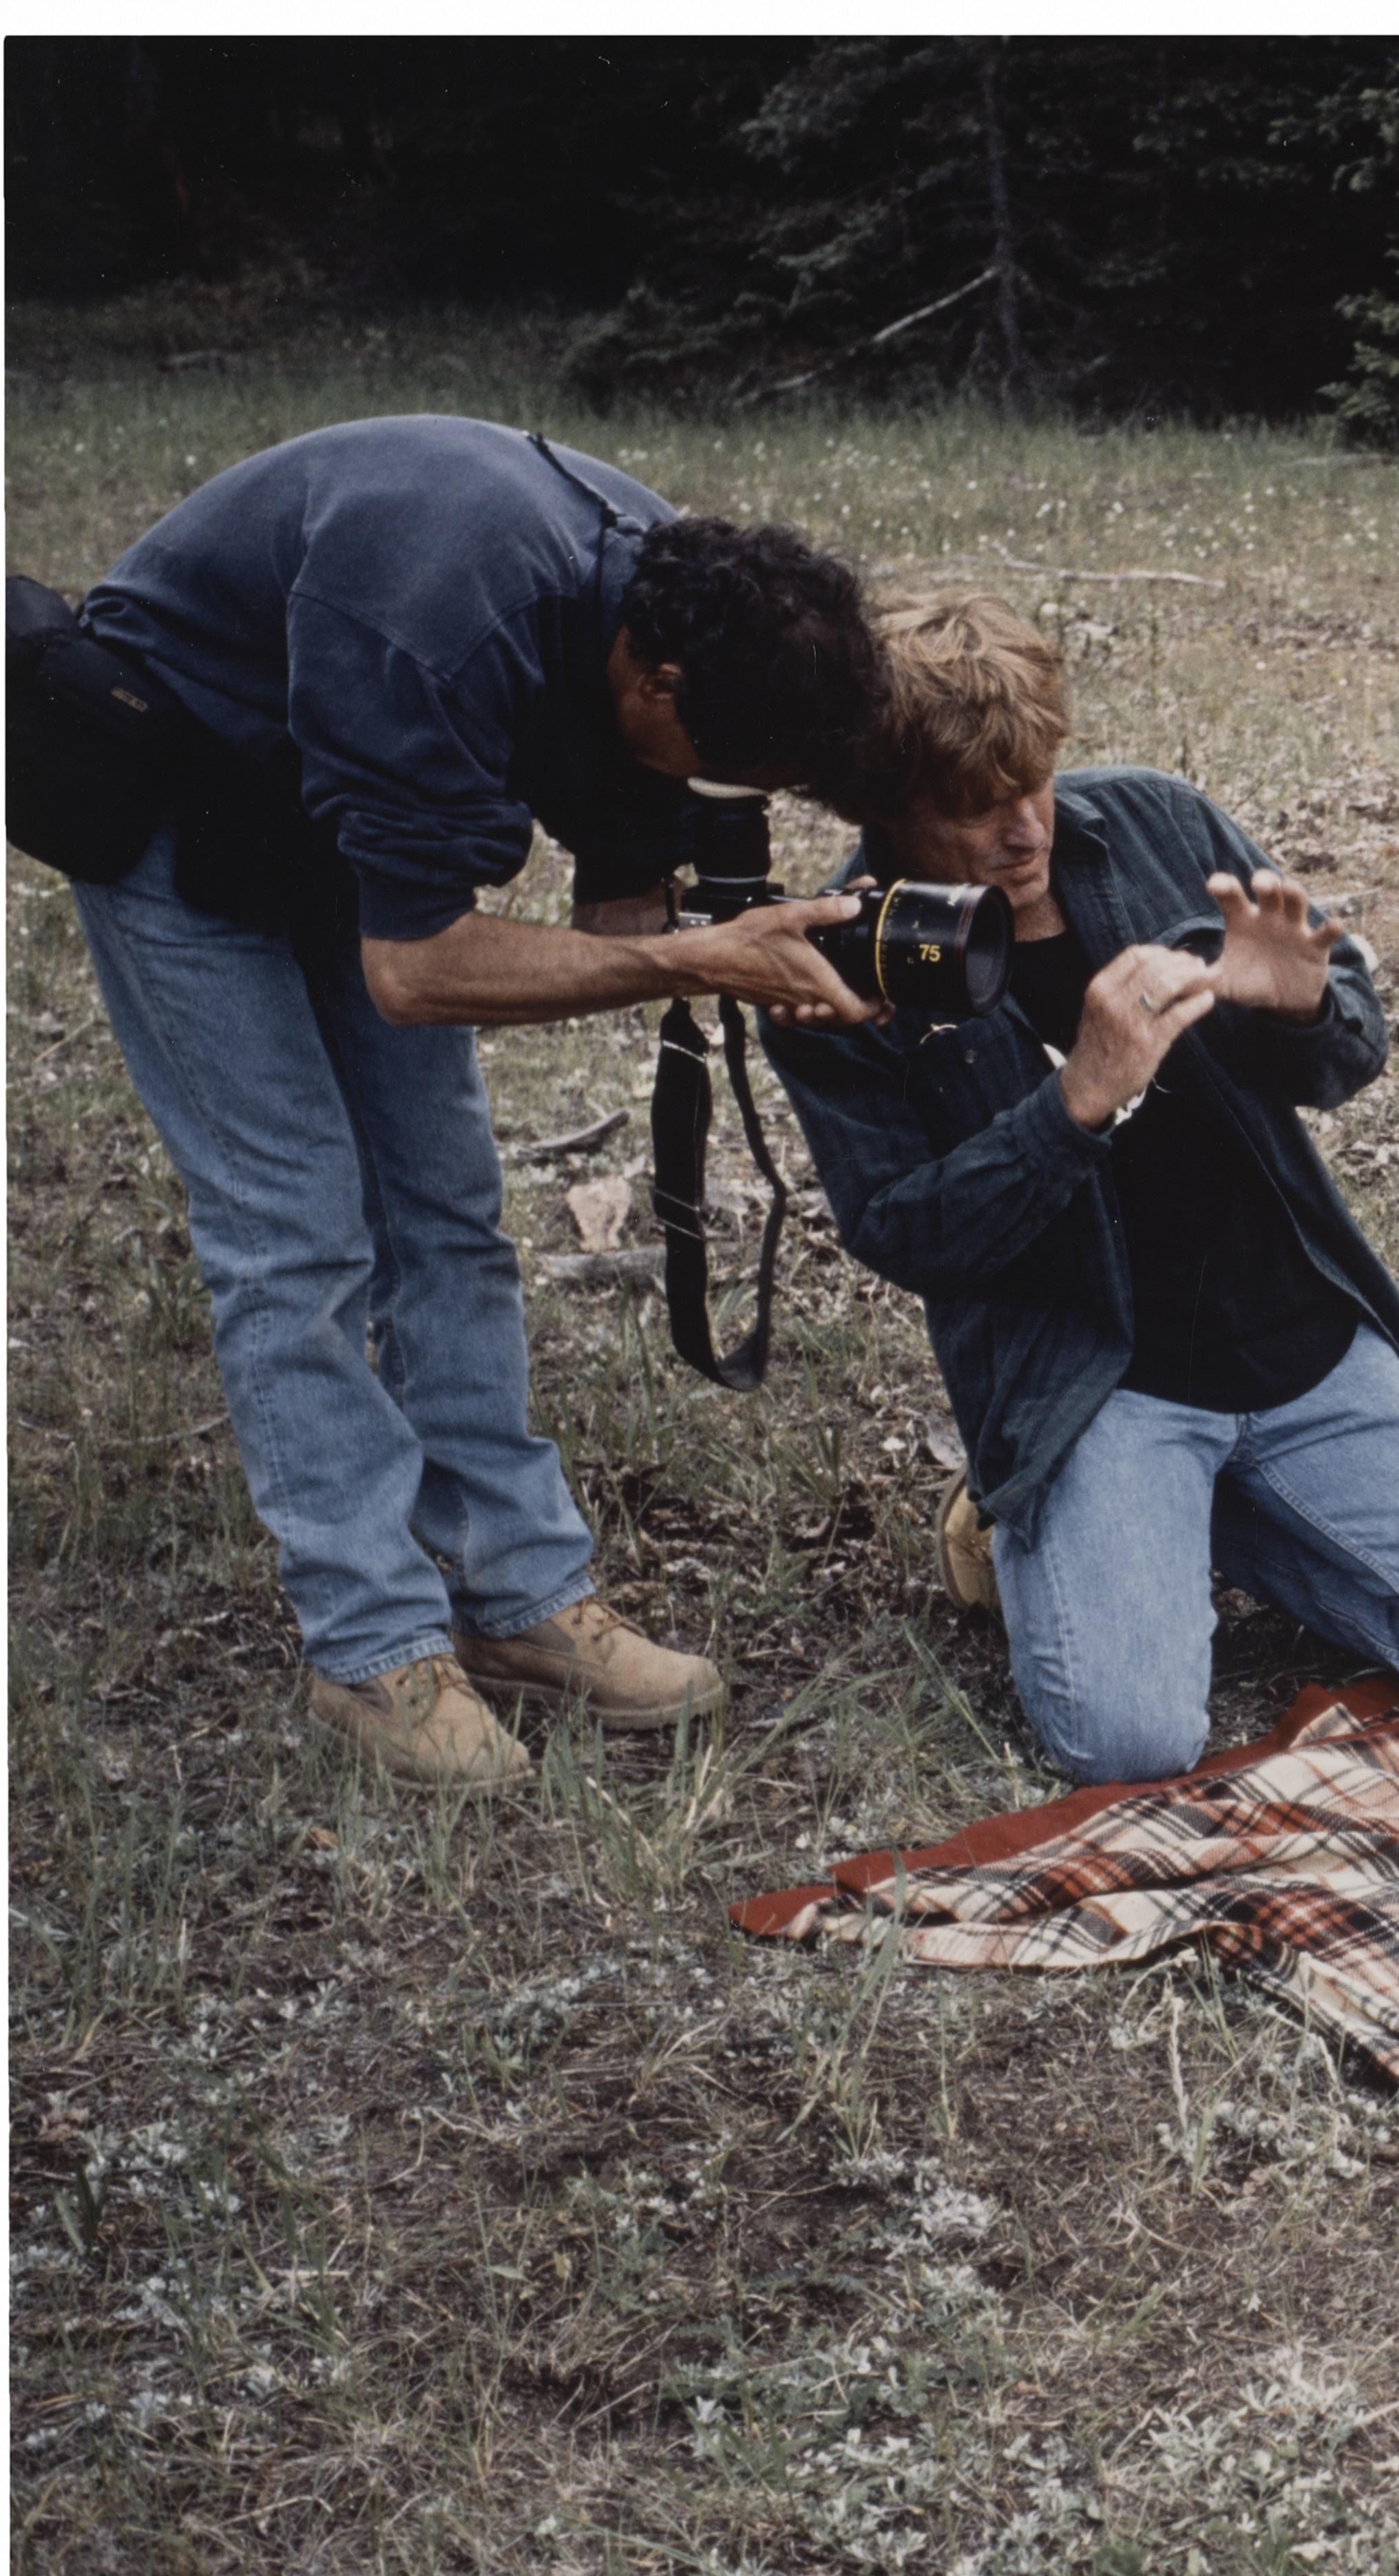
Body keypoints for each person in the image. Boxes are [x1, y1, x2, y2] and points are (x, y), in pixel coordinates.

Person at [56, 414, 890, 1791]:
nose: (703, 791)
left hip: (345, 805)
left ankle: (516, 1602)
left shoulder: (677, 597)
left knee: (446, 1209)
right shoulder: (437, 621)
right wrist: (685, 958)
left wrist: (734, 956)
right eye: (698, 759)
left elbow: (623, 872)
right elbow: (419, 967)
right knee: (298, 1230)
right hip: (166, 783)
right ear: (647, 669)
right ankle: (371, 1648)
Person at [760, 592, 1399, 1784]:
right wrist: (1073, 1103)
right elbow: (908, 1231)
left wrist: (1302, 1000)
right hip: (1096, 1382)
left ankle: (1198, 1519)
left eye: (1033, 782)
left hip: (1287, 1334)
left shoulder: (1151, 821)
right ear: (884, 806)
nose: (1022, 828)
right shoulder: (839, 959)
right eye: (972, 808)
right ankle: (1030, 1520)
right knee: (1129, 1742)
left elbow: (1347, 1047)